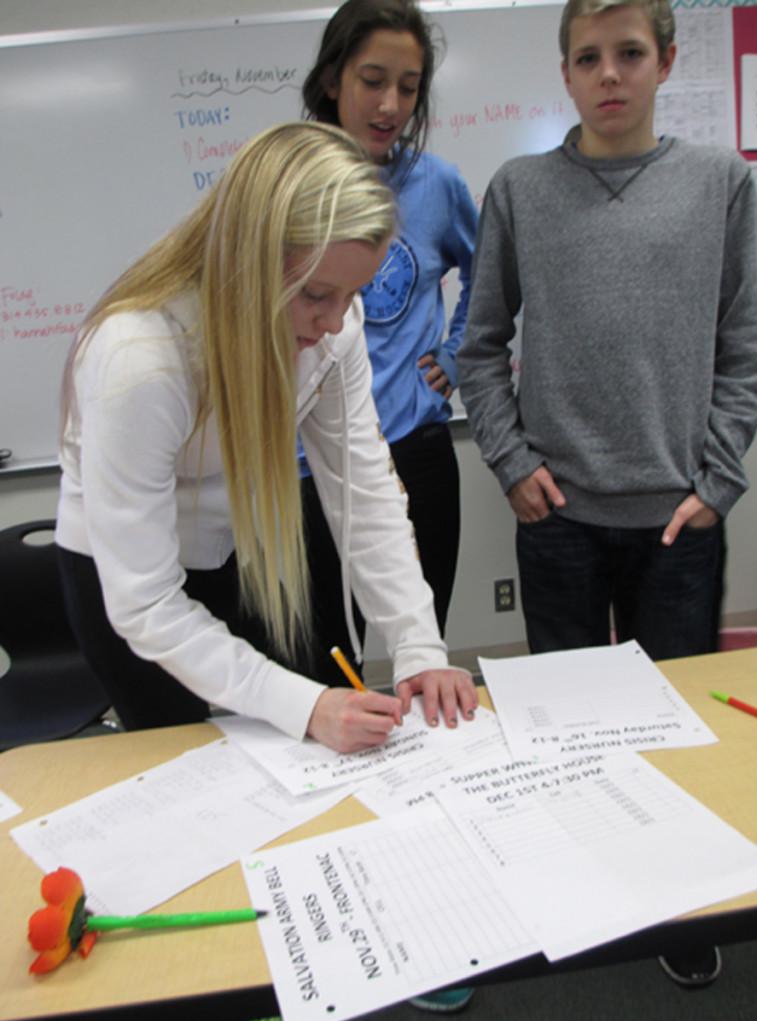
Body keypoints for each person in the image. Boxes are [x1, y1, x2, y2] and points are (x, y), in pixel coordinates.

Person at [458, 0, 757, 988]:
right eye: (587, 57)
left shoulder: (719, 184)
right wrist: (510, 461)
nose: (609, 74)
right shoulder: (519, 188)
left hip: (678, 523)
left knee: (677, 732)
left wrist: (718, 482)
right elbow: (476, 349)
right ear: (565, 73)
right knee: (563, 731)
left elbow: (746, 350)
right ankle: (581, 888)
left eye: (629, 53)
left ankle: (677, 901)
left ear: (666, 61)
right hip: (558, 522)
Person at [56, 121, 477, 756]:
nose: (338, 321)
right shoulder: (138, 361)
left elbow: (363, 488)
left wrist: (419, 644)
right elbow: (145, 605)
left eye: (352, 294)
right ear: (248, 262)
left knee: (287, 747)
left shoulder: (332, 326)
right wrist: (306, 705)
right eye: (316, 294)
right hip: (126, 580)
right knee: (185, 758)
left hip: (234, 548)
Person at [300, 0, 478, 687]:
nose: (390, 103)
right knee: (317, 664)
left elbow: (489, 267)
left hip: (415, 451)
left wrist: (457, 352)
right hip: (306, 464)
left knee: (419, 650)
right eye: (373, 80)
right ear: (332, 80)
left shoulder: (437, 186)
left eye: (408, 87)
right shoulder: (288, 185)